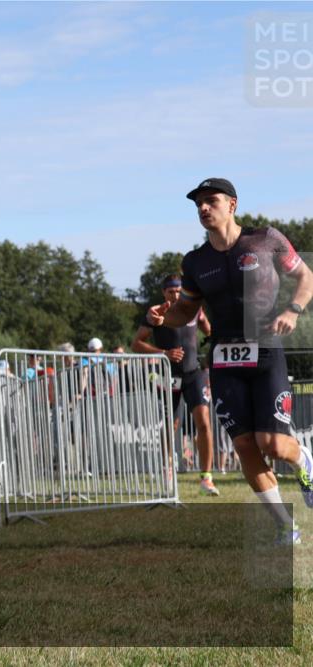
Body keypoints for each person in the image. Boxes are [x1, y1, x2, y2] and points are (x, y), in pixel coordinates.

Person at [149, 178, 313, 545]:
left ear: (232, 205)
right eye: (198, 205)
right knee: (244, 447)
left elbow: (306, 276)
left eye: (211, 201)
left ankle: (304, 461)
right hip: (224, 357)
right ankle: (287, 527)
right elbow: (187, 310)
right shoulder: (195, 261)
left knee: (272, 443)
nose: (204, 209)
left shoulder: (265, 239)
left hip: (267, 350)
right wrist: (164, 318)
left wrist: (294, 309)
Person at [134, 275, 219, 496]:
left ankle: (206, 478)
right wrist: (164, 353)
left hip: (194, 373)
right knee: (171, 425)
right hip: (168, 376)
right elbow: (136, 343)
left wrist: (210, 349)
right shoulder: (157, 313)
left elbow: (209, 330)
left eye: (179, 290)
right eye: (171, 291)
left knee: (204, 422)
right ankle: (167, 471)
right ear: (164, 292)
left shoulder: (194, 309)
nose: (175, 294)